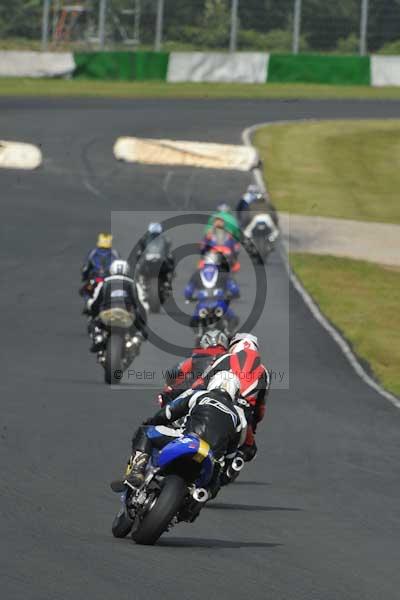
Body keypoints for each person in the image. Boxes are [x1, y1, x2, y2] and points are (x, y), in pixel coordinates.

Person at [112, 370, 247, 491]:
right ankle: (195, 503)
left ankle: (136, 472)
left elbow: (168, 413)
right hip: (211, 457)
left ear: (213, 383)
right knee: (212, 487)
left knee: (145, 432)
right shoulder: (239, 417)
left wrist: (152, 422)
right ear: (235, 392)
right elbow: (231, 453)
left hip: (189, 439)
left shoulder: (200, 395)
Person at [190, 333, 270, 463]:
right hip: (244, 416)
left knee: (185, 421)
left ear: (234, 346)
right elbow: (260, 410)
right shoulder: (264, 372)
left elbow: (200, 383)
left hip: (214, 402)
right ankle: (233, 465)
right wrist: (253, 426)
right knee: (249, 449)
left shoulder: (224, 358)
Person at [87, 259, 148, 353]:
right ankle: (136, 340)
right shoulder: (133, 283)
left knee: (93, 324)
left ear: (112, 270)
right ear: (126, 270)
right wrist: (143, 321)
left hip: (107, 314)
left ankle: (98, 338)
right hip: (126, 315)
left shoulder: (104, 282)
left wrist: (93, 313)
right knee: (142, 329)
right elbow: (140, 303)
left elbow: (95, 302)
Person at [159, 329, 229, 406]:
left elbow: (175, 372)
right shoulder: (232, 356)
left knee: (167, 398)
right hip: (225, 394)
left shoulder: (196, 357)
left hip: (197, 391)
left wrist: (170, 385)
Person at [184, 253, 240, 334]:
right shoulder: (223, 273)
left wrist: (189, 298)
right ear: (218, 262)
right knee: (233, 318)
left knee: (193, 321)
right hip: (220, 303)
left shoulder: (196, 274)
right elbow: (234, 289)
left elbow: (188, 291)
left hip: (202, 305)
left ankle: (198, 335)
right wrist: (235, 295)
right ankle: (228, 333)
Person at [136, 222, 175, 290]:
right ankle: (141, 281)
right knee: (139, 267)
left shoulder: (164, 240)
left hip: (159, 261)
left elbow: (168, 249)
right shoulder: (145, 240)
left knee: (170, 262)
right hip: (149, 261)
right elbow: (140, 250)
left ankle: (168, 281)